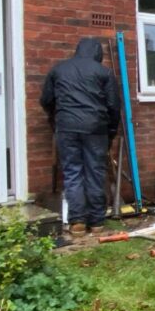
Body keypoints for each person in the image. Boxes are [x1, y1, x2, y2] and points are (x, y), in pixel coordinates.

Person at [41, 38, 119, 237]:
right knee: (95, 172)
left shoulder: (58, 70)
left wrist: (56, 118)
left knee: (72, 172)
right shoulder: (104, 73)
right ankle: (97, 222)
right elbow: (113, 106)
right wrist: (111, 131)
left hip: (67, 128)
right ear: (97, 53)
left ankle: (77, 223)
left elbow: (46, 100)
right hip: (95, 128)